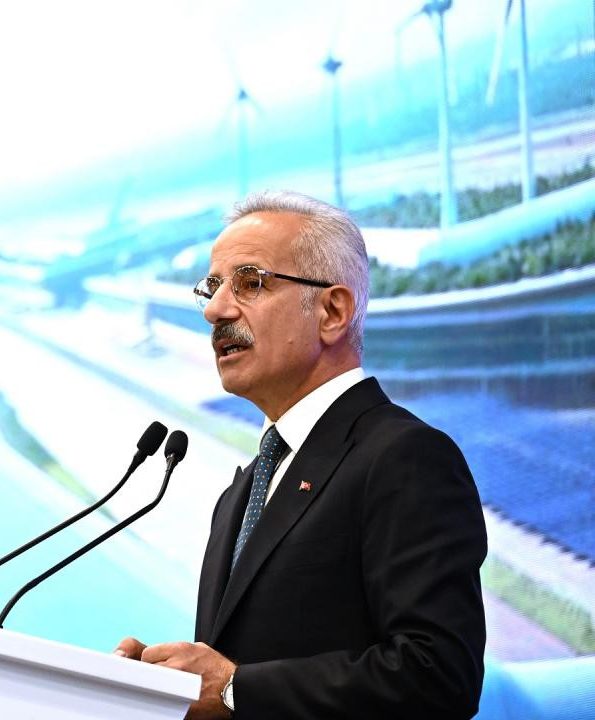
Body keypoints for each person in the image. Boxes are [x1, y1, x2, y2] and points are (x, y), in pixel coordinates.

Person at [115, 191, 486, 719]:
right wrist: (159, 687)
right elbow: (239, 665)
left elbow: (439, 674)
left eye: (250, 282)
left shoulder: (404, 457)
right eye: (212, 287)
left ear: (332, 311)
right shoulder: (244, 489)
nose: (216, 310)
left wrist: (235, 690)